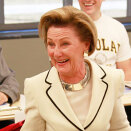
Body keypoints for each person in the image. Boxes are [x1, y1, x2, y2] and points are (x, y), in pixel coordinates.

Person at [21, 6, 131, 131]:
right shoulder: (36, 86)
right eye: (51, 44)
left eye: (65, 44)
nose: (56, 53)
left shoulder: (112, 79)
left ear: (86, 44)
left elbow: (120, 128)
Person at [78, 0, 131, 83]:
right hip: (79, 92)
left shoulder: (118, 28)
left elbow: (126, 72)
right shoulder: (66, 28)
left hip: (111, 91)